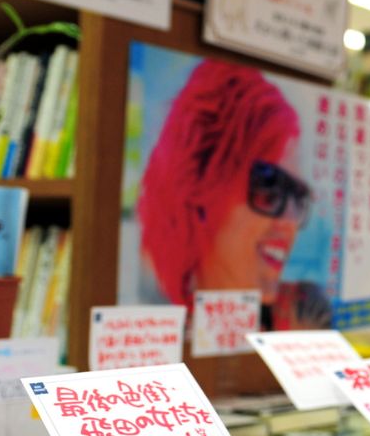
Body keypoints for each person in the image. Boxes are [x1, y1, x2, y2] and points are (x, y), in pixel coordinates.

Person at [137, 60, 327, 328]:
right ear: (201, 185)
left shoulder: (288, 323)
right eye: (269, 189)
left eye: (298, 198)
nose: (290, 222)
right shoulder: (153, 323)